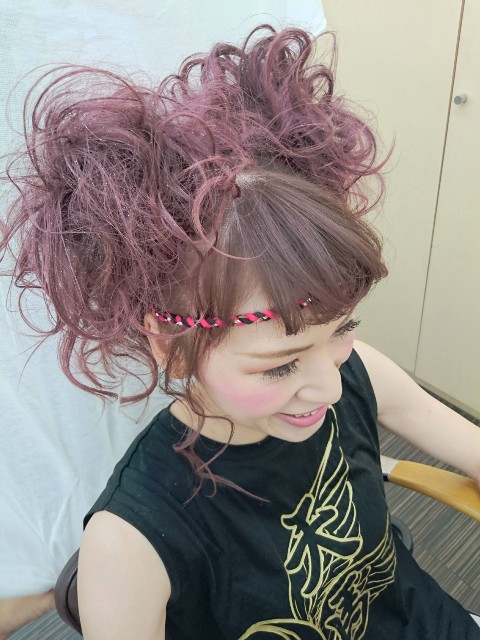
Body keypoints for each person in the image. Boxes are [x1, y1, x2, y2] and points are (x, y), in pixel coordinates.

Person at [1, 25, 479, 640]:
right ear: (172, 347)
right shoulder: (131, 542)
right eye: (280, 364)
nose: (330, 388)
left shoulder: (356, 371)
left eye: (342, 330)